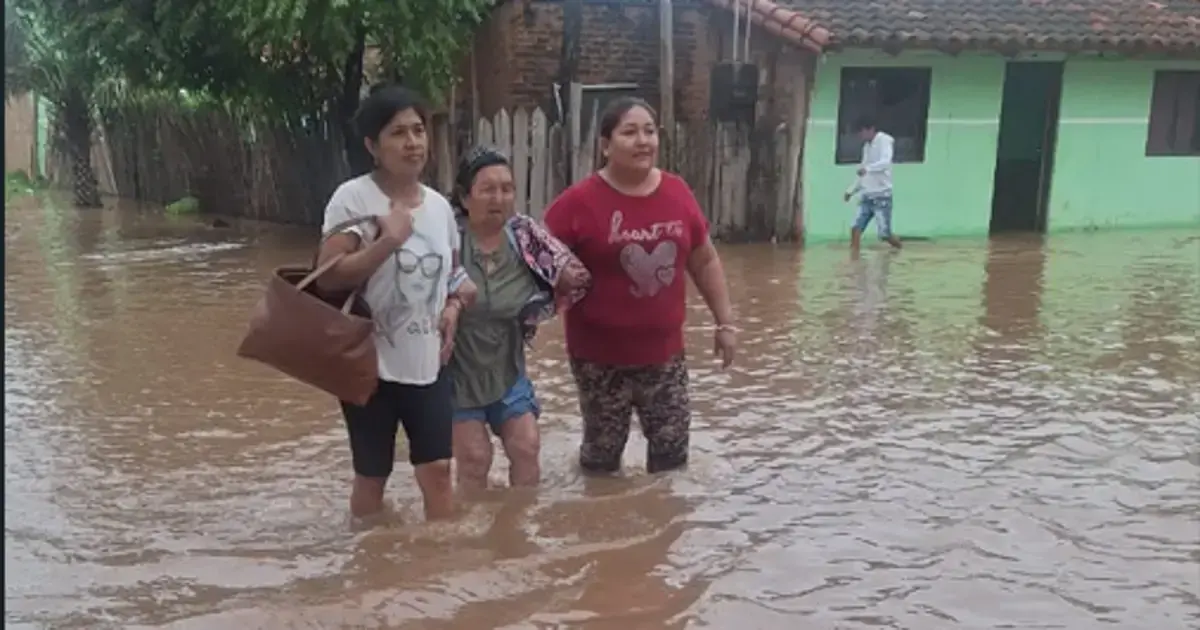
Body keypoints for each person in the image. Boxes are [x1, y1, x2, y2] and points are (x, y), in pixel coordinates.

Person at [543, 97, 737, 475]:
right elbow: (537, 258)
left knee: (672, 458)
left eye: (649, 131)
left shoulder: (677, 193)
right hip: (598, 360)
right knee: (601, 461)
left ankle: (658, 515)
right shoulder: (578, 202)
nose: (643, 141)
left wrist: (725, 323)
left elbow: (704, 260)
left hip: (664, 356)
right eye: (629, 132)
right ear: (605, 145)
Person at [315, 84, 476, 521]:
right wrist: (388, 241)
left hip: (428, 360)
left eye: (418, 131)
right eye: (398, 133)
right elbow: (328, 274)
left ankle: (439, 558)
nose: (413, 142)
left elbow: (452, 275)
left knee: (438, 470)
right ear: (372, 146)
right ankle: (369, 555)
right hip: (369, 363)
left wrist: (453, 307)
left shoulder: (440, 207)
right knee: (372, 476)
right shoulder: (353, 198)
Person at [447, 146, 589, 491]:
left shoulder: (524, 237)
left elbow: (571, 272)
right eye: (488, 189)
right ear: (465, 198)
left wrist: (566, 278)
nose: (499, 198)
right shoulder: (446, 240)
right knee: (475, 458)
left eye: (507, 189)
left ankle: (523, 521)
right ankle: (472, 523)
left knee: (526, 446)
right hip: (455, 374)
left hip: (507, 367)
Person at [844, 115, 902, 251]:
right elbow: (863, 173)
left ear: (870, 129)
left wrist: (868, 169)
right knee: (855, 228)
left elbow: (885, 162)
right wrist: (851, 191)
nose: (860, 136)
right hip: (867, 196)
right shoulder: (866, 147)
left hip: (882, 196)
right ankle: (854, 258)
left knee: (884, 235)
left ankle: (899, 248)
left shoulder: (885, 140)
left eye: (861, 132)